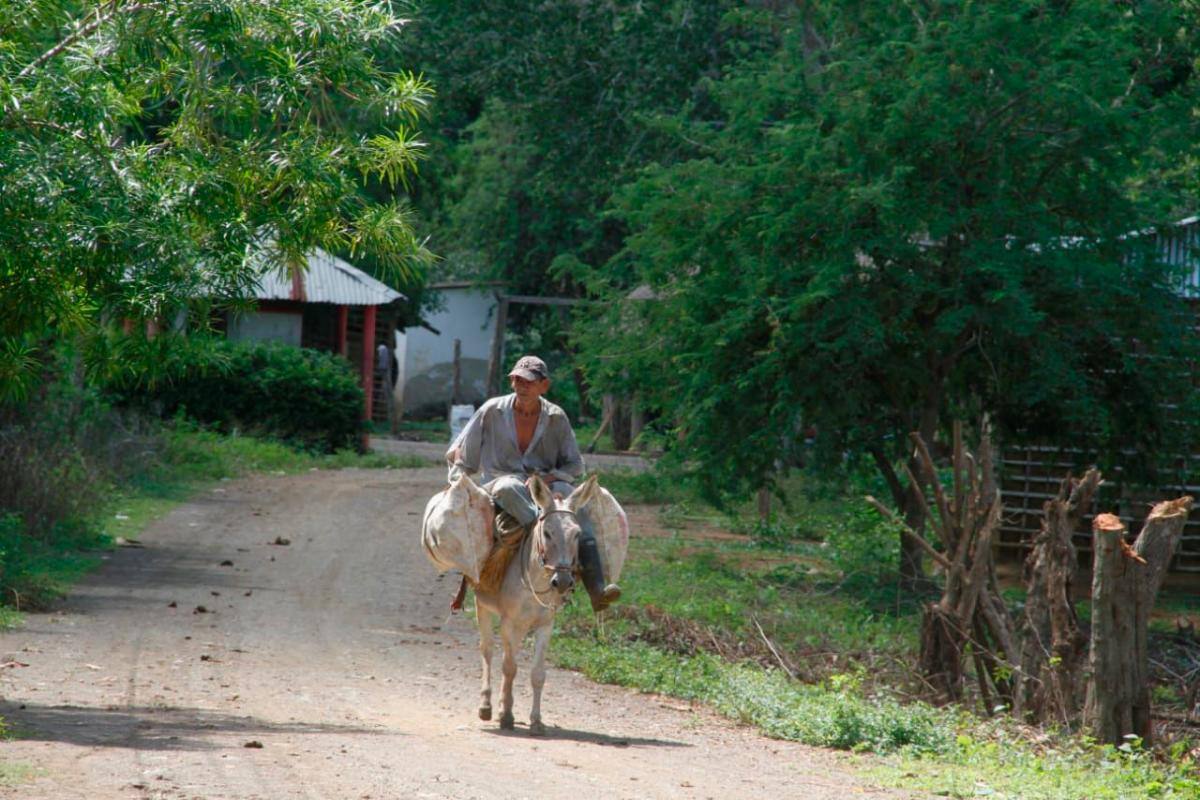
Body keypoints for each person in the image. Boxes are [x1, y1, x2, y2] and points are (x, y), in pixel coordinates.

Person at [446, 355, 621, 613]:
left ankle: (596, 589)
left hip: (546, 486)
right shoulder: (491, 411)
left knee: (575, 504)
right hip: (503, 482)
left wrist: (549, 478)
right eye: (516, 379)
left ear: (544, 386)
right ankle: (540, 542)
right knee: (508, 488)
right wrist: (457, 482)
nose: (521, 385)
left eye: (528, 381)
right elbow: (463, 455)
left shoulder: (556, 417)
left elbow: (574, 466)